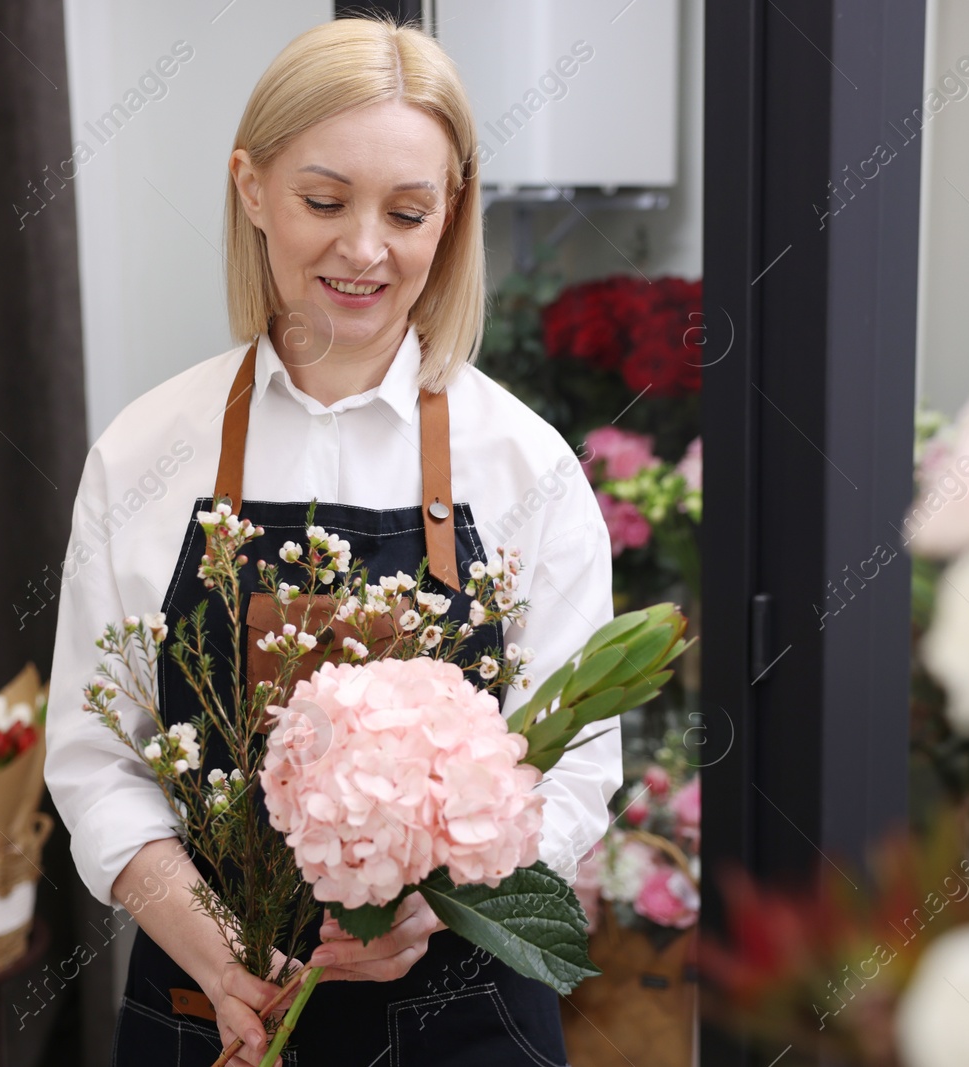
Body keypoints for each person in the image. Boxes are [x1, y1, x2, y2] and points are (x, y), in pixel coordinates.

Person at [45, 15, 618, 1067]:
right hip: (209, 1005)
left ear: (452, 214)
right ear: (251, 187)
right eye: (324, 199)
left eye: (407, 211)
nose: (364, 248)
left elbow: (575, 771)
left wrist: (438, 907)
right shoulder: (144, 456)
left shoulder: (525, 468)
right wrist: (217, 951)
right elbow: (95, 758)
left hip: (468, 1016)